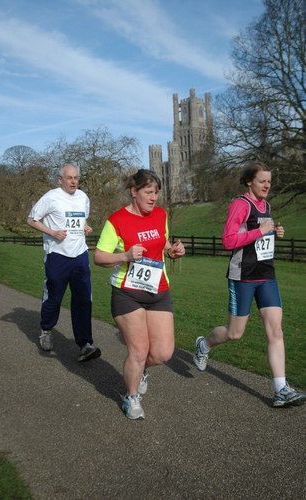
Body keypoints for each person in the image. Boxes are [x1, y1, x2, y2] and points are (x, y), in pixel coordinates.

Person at [193, 160, 306, 408]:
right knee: (235, 333)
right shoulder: (240, 205)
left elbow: (261, 232)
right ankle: (204, 343)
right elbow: (228, 240)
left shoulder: (266, 205)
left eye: (269, 181)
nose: (267, 185)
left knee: (276, 331)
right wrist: (260, 231)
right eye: (262, 181)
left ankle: (280, 389)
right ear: (249, 181)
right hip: (243, 277)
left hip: (266, 275)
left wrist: (274, 232)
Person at [94, 169, 185, 420]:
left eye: (156, 192)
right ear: (134, 192)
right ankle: (131, 397)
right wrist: (124, 255)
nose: (153, 197)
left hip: (158, 290)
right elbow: (99, 256)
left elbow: (162, 243)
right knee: (138, 350)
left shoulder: (161, 215)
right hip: (127, 293)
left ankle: (141, 370)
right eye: (148, 192)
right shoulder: (117, 220)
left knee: (163, 353)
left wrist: (172, 250)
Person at [27, 163, 101, 362]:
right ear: (60, 180)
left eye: (76, 177)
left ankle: (85, 344)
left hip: (79, 255)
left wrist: (86, 227)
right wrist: (52, 232)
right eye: (69, 178)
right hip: (57, 255)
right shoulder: (51, 197)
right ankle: (46, 330)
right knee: (54, 298)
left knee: (84, 299)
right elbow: (32, 219)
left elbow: (80, 220)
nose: (73, 181)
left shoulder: (83, 197)